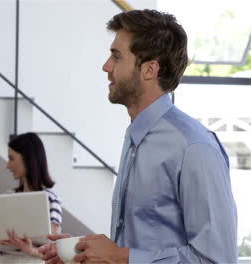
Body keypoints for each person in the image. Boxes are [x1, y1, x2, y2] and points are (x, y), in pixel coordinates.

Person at [39, 9, 238, 264]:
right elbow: (141, 246)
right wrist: (86, 253)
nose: (106, 66)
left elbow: (217, 259)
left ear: (149, 70)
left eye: (116, 56)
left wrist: (121, 257)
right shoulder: (135, 139)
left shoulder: (194, 147)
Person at [0, 132, 62, 264]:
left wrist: (28, 249)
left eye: (11, 158)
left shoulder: (51, 199)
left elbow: (53, 248)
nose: (8, 165)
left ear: (27, 158)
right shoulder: (9, 197)